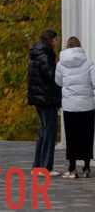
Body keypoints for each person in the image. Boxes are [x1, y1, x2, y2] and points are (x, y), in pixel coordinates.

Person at [56, 36, 95, 179]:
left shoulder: (61, 64)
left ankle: (72, 168)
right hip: (87, 106)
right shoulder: (89, 62)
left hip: (70, 106)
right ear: (79, 46)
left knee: (72, 136)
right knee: (87, 136)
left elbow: (58, 82)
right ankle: (86, 168)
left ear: (67, 46)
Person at [27, 28, 62, 173]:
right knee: (49, 132)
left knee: (43, 132)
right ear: (49, 40)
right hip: (46, 98)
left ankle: (37, 166)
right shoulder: (45, 55)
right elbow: (52, 76)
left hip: (39, 98)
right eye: (55, 39)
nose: (57, 42)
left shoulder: (37, 54)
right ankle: (45, 167)